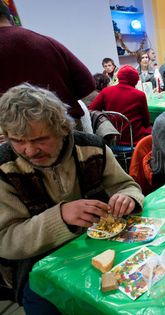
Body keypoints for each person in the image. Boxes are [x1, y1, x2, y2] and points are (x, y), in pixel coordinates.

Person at [0, 84, 144, 312]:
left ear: (61, 129)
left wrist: (127, 197)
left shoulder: (92, 147)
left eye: (40, 139)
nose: (29, 150)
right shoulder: (4, 167)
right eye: (17, 140)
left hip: (104, 249)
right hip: (39, 268)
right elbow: (5, 240)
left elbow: (126, 185)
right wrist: (60, 217)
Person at [0, 2, 95, 127]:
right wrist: (57, 103)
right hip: (62, 123)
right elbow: (87, 83)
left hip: (12, 131)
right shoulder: (44, 41)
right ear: (10, 17)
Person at [88, 65, 152, 146]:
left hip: (112, 138)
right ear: (135, 80)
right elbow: (146, 122)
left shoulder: (105, 92)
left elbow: (91, 111)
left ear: (119, 77)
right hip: (135, 139)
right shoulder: (140, 95)